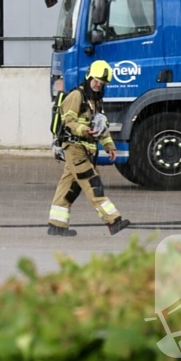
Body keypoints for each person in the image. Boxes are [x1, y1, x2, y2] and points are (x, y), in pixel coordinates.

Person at [48, 60, 131, 237]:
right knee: (93, 184)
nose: (98, 84)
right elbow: (68, 121)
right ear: (89, 77)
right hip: (75, 148)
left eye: (102, 83)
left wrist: (109, 146)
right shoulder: (77, 96)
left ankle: (56, 225)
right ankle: (113, 221)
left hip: (86, 149)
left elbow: (100, 126)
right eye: (96, 80)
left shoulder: (95, 101)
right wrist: (84, 130)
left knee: (69, 186)